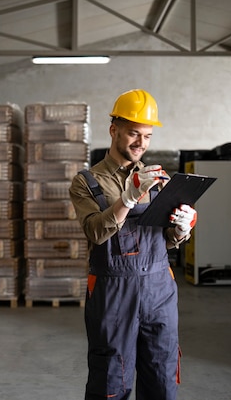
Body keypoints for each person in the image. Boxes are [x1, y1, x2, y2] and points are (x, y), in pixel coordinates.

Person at [69, 89, 197, 400]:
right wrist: (127, 198)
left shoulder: (157, 179)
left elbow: (164, 239)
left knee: (161, 370)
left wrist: (182, 228)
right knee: (111, 375)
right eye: (133, 134)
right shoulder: (87, 182)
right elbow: (95, 232)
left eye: (147, 136)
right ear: (114, 131)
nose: (140, 143)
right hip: (113, 290)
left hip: (158, 287)